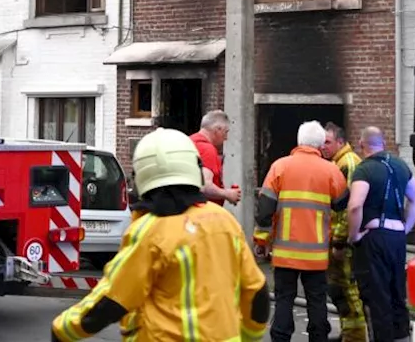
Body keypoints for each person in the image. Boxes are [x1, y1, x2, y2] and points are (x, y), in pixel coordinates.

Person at [51, 128, 269, 341]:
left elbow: (112, 301)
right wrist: (247, 336)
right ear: (194, 167)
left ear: (143, 175)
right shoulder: (224, 221)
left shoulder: (150, 231)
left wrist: (63, 330)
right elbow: (257, 294)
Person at [254, 121, 348, 342]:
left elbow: (265, 211)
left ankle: (281, 337)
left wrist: (261, 241)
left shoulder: (280, 167)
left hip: (285, 253)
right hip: (316, 254)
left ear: (298, 141)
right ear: (319, 145)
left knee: (284, 299)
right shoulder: (331, 170)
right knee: (317, 301)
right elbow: (343, 203)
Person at [347, 126, 415, 342]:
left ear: (362, 144)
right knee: (398, 295)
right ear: (383, 143)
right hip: (397, 239)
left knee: (378, 299)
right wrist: (405, 229)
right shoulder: (400, 165)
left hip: (374, 238)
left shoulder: (364, 169)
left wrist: (354, 236)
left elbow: (354, 206)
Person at [320, 123, 367, 342]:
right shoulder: (339, 162)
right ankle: (349, 332)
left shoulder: (346, 164)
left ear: (340, 142)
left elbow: (348, 209)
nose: (323, 146)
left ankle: (355, 336)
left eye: (328, 142)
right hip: (341, 241)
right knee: (340, 291)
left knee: (348, 290)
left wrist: (339, 242)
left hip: (344, 245)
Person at [190, 110, 241, 206]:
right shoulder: (207, 149)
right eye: (225, 132)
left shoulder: (188, 143)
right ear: (217, 129)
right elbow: (205, 186)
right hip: (204, 211)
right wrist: (228, 194)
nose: (226, 138)